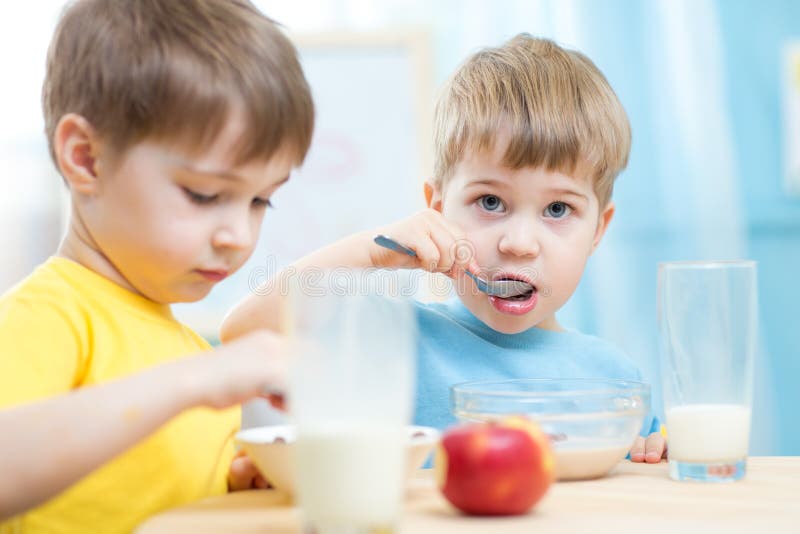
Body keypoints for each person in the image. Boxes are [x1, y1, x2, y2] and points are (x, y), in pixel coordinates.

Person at [220, 34, 666, 462]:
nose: (519, 243)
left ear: (598, 231)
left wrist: (657, 456)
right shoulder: (399, 341)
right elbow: (245, 330)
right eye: (490, 202)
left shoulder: (616, 383)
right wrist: (374, 252)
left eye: (557, 209)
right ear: (437, 208)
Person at [0, 0, 314, 530]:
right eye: (204, 194)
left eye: (261, 200)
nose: (239, 235)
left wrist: (226, 486)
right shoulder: (48, 315)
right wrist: (201, 377)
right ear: (86, 159)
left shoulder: (186, 347)